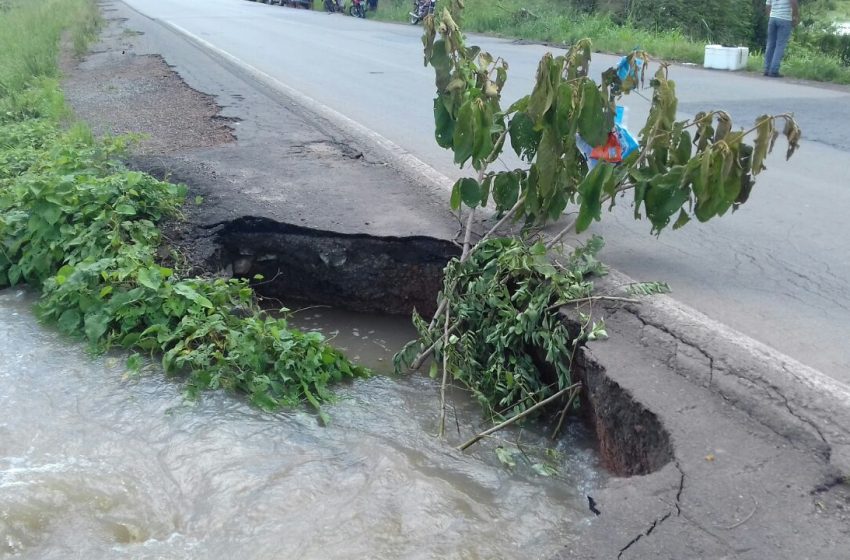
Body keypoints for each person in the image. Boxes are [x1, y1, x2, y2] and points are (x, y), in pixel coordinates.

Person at [764, 0, 800, 78]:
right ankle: (773, 71)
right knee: (780, 45)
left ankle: (767, 69)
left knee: (770, 44)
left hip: (772, 18)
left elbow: (768, 5)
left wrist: (771, 16)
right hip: (785, 19)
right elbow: (793, 2)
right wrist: (795, 16)